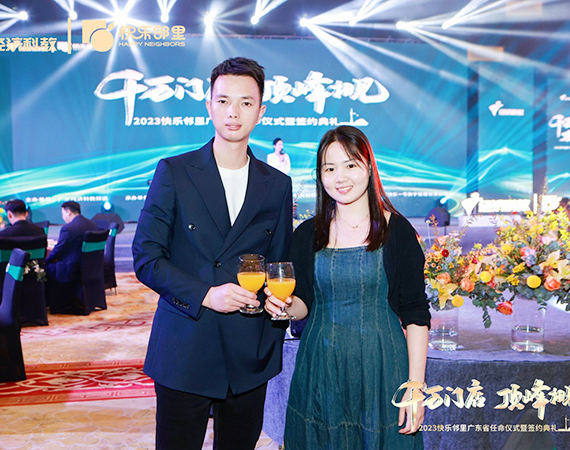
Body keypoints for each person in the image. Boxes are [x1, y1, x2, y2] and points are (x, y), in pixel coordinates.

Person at [132, 57, 293, 450]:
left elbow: (280, 262)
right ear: (209, 106)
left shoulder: (277, 184)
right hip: (186, 344)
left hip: (249, 350)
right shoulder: (175, 171)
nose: (233, 112)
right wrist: (206, 294)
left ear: (261, 111)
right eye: (223, 101)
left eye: (245, 102)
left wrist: (280, 301)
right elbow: (147, 257)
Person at [265, 125, 430, 449]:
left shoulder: (396, 231)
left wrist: (415, 385)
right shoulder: (308, 233)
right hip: (320, 367)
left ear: (368, 167)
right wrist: (284, 306)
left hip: (383, 367)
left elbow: (415, 313)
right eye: (329, 168)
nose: (340, 177)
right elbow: (304, 302)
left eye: (350, 165)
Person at [44, 201, 98, 283]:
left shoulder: (68, 229)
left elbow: (58, 250)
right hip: (92, 267)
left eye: (63, 214)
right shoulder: (92, 225)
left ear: (69, 212)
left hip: (73, 270)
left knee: (45, 268)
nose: (63, 217)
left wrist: (45, 260)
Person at [0, 199, 44, 266]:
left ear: (9, 214)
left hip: (9, 272)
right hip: (34, 271)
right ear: (26, 214)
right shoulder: (40, 231)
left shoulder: (2, 234)